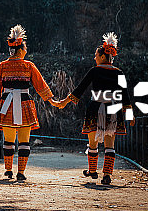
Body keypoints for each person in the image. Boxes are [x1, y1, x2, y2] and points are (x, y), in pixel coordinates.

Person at [54, 32, 135, 185]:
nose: (94, 58)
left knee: (93, 142)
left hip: (95, 108)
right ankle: (107, 175)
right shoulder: (119, 73)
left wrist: (64, 102)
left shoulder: (94, 71)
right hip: (113, 109)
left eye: (96, 55)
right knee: (110, 143)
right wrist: (130, 114)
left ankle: (92, 171)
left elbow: (80, 89)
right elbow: (125, 96)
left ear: (103, 56)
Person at [0, 25, 60, 181]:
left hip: (6, 105)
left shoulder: (1, 66)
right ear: (21, 50)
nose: (26, 50)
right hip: (24, 104)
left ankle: (8, 170)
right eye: (25, 48)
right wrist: (51, 100)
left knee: (8, 140)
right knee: (24, 140)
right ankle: (21, 172)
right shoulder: (29, 66)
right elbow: (40, 84)